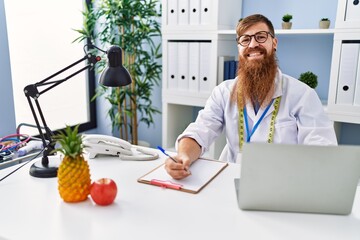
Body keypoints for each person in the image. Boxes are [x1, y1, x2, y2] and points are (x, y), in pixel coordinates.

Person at [165, 14, 338, 180]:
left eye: (261, 37)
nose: (253, 44)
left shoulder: (303, 95)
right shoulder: (223, 92)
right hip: (232, 180)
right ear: (239, 47)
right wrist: (183, 157)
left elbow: (322, 150)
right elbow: (200, 130)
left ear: (274, 43)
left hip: (283, 183)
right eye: (245, 39)